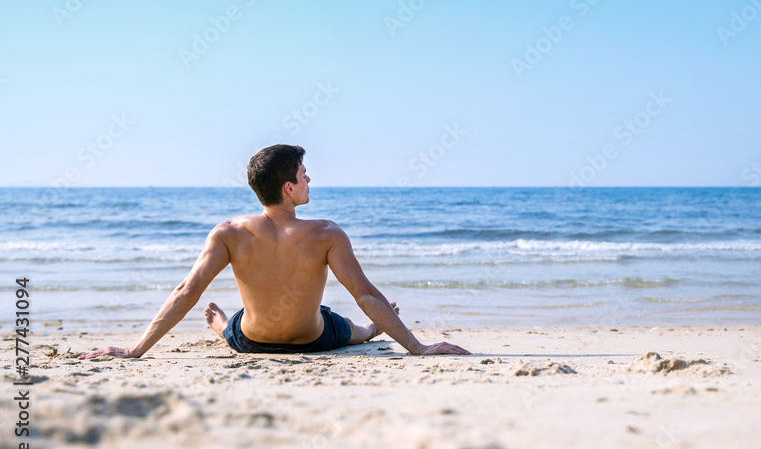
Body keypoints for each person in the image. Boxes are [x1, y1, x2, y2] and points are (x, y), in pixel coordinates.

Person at [78, 144, 471, 359]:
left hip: (251, 340)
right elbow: (365, 294)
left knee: (237, 324)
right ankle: (370, 332)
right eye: (303, 175)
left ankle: (222, 327)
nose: (309, 179)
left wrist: (134, 350)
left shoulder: (228, 232)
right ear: (288, 188)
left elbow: (187, 291)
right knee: (345, 326)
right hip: (311, 339)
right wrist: (418, 348)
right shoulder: (326, 233)